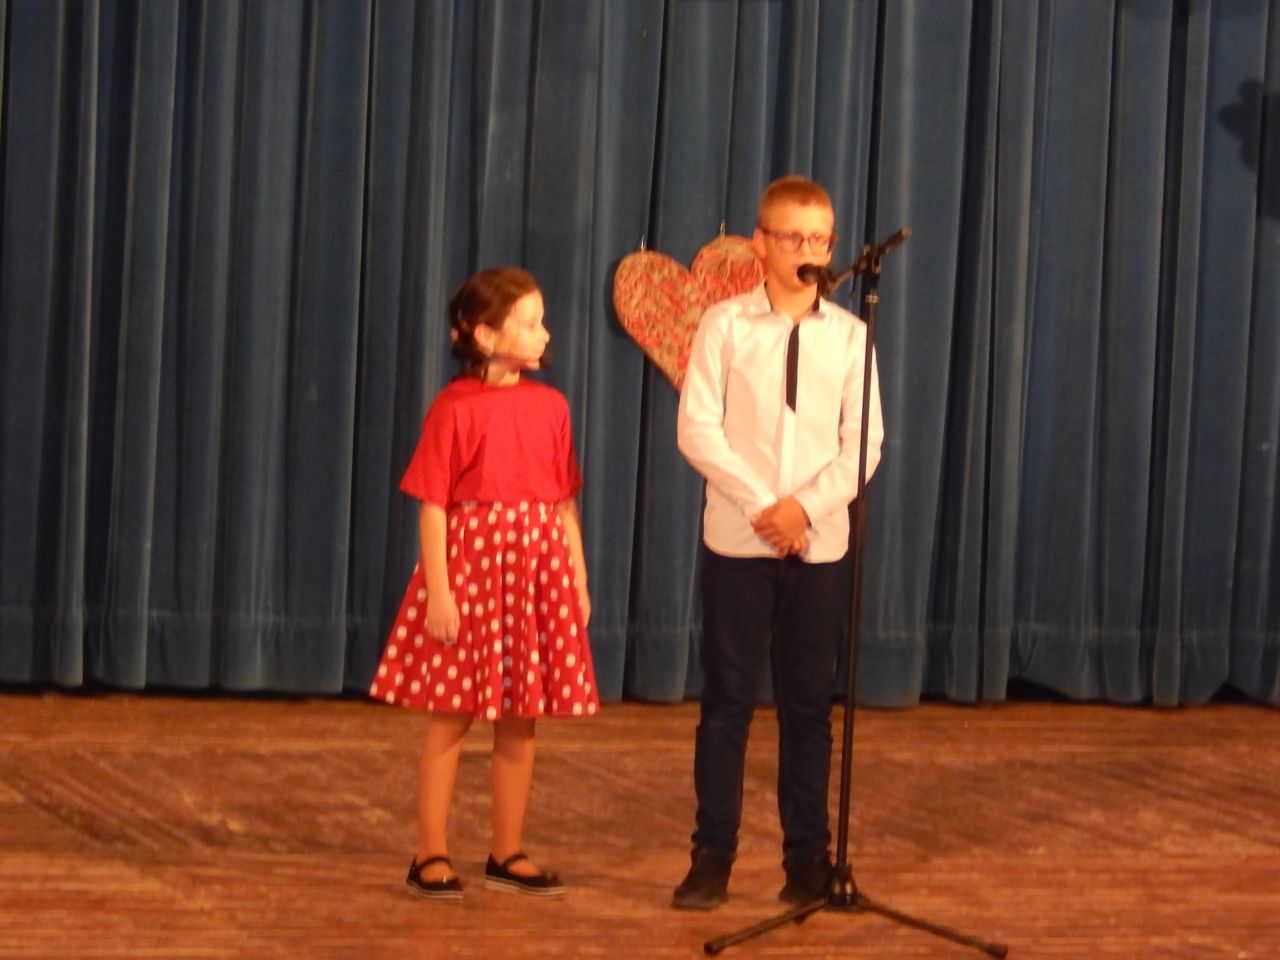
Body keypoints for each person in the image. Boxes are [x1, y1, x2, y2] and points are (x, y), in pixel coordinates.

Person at [672, 176, 885, 910]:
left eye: (819, 239)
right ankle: (712, 856)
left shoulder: (851, 335)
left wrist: (804, 510)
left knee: (807, 709)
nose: (808, 251)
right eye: (792, 237)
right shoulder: (725, 325)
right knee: (727, 702)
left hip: (818, 546)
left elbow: (865, 441)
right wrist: (767, 508)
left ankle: (807, 861)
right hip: (740, 541)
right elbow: (698, 429)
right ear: (760, 244)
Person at [370, 266, 598, 901]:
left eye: (542, 321)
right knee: (452, 715)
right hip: (472, 573)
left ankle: (508, 849)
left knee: (521, 718)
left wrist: (577, 575)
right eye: (530, 323)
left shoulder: (551, 406)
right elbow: (433, 505)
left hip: (535, 572)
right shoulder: (456, 407)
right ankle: (430, 853)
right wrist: (440, 592)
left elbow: (562, 501)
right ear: (485, 334)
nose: (544, 333)